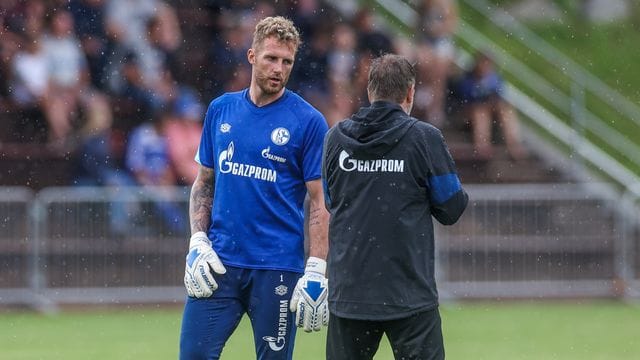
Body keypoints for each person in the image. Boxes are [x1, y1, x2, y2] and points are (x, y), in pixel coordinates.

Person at [179, 16, 330, 360]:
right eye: (271, 58)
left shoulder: (308, 122)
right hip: (219, 264)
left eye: (287, 62)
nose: (279, 68)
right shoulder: (220, 110)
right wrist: (198, 241)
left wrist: (317, 269)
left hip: (277, 268)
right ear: (251, 56)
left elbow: (321, 202)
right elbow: (204, 183)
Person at [322, 54, 469, 360]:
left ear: (369, 91)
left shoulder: (335, 138)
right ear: (410, 93)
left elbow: (331, 200)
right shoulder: (424, 138)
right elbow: (451, 207)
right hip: (408, 291)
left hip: (350, 292)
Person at [456, 51, 527, 160]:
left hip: (491, 111)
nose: (485, 67)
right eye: (483, 63)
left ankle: (514, 144)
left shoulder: (495, 79)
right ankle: (482, 145)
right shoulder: (467, 79)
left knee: (506, 110)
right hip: (471, 112)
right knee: (480, 112)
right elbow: (465, 98)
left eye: (488, 64)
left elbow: (500, 95)